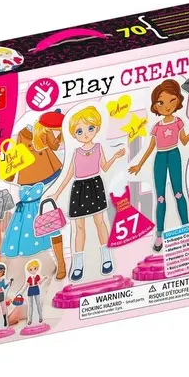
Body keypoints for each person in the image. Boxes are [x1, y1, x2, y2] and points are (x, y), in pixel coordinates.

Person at [51, 106, 125, 281]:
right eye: (79, 131)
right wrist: (57, 193)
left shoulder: (98, 147)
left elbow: (104, 167)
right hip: (79, 188)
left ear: (96, 128)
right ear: (74, 134)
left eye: (90, 128)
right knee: (79, 227)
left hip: (95, 185)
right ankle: (78, 264)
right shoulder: (76, 152)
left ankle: (106, 257)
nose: (85, 134)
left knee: (100, 222)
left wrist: (115, 156)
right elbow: (69, 174)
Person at [128, 79, 189, 253]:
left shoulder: (178, 122)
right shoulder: (156, 127)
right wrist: (139, 165)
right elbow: (150, 148)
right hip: (160, 158)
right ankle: (159, 234)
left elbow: (184, 140)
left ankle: (187, 230)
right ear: (155, 105)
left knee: (179, 193)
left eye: (172, 100)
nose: (167, 106)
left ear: (178, 100)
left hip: (174, 155)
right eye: (161, 102)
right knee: (160, 197)